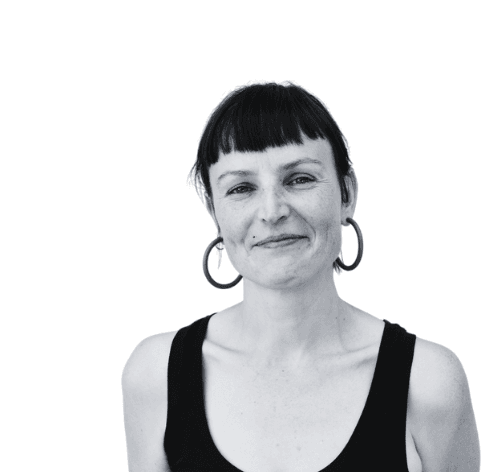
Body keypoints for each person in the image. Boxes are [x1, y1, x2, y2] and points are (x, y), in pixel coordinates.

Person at [122, 82, 480, 471]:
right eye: (241, 188)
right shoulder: (156, 376)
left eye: (299, 179)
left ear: (347, 194)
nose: (272, 211)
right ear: (214, 213)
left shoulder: (428, 383)